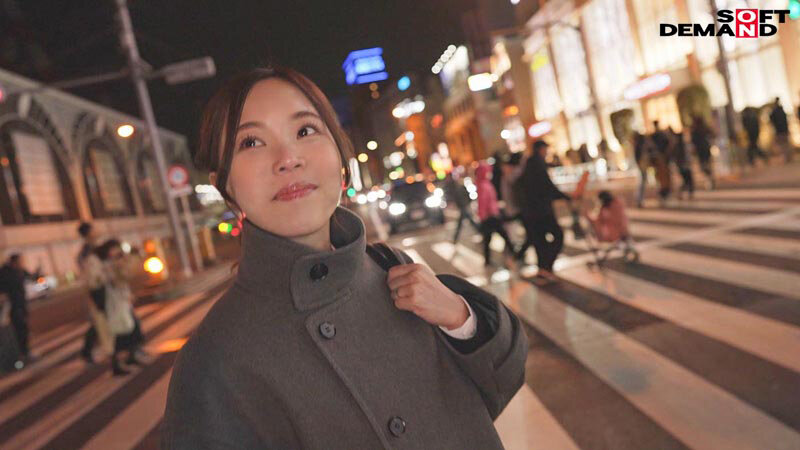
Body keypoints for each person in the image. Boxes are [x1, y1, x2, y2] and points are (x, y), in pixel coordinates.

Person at [162, 67, 527, 449]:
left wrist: (460, 319)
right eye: (251, 142)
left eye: (305, 131)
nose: (288, 159)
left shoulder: (391, 267)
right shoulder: (215, 358)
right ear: (225, 185)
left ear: (340, 155)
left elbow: (498, 385)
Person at [513, 140, 571, 282]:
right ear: (540, 149)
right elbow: (546, 186)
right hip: (540, 210)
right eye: (545, 149)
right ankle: (546, 267)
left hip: (531, 211)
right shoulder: (536, 164)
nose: (546, 152)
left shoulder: (529, 164)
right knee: (557, 236)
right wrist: (565, 196)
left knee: (540, 241)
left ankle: (543, 270)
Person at [94, 240, 145, 376]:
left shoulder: (113, 264)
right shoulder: (106, 266)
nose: (117, 252)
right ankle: (117, 364)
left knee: (132, 328)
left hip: (120, 303)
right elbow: (117, 280)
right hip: (112, 306)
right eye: (115, 249)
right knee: (114, 336)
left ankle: (131, 356)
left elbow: (126, 277)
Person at [77, 222, 110, 364]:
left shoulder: (93, 248)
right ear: (88, 233)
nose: (96, 232)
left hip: (101, 287)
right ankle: (87, 351)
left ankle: (89, 350)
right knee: (98, 321)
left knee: (102, 321)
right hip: (96, 289)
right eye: (93, 230)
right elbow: (88, 273)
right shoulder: (87, 251)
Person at [0, 254, 41, 368]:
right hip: (11, 307)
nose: (22, 263)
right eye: (20, 261)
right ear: (14, 262)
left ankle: (24, 353)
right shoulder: (5, 273)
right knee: (16, 332)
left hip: (20, 305)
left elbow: (32, 277)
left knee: (23, 330)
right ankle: (19, 355)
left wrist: (38, 272)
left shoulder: (19, 271)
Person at [474, 162, 515, 266]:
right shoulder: (483, 185)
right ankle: (514, 253)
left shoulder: (484, 183)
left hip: (491, 215)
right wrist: (483, 216)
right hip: (490, 216)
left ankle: (488, 260)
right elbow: (483, 202)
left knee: (489, 238)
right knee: (503, 235)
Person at [447, 173, 481, 243]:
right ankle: (455, 239)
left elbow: (462, 196)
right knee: (468, 222)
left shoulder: (456, 186)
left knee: (463, 223)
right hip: (463, 206)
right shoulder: (456, 186)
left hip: (463, 206)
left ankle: (455, 239)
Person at [650, 121, 673, 204]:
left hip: (662, 160)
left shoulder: (657, 136)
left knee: (664, 178)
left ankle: (665, 193)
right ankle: (664, 193)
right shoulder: (656, 136)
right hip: (660, 160)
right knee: (662, 178)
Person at [690, 115, 715, 189]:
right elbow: (712, 134)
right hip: (705, 149)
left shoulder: (695, 130)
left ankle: (709, 178)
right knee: (706, 164)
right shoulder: (703, 128)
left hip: (702, 150)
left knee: (704, 165)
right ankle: (709, 177)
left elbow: (693, 141)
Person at [670, 127, 694, 199]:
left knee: (687, 180)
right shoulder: (679, 146)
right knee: (687, 180)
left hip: (683, 165)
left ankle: (683, 193)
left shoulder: (681, 145)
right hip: (683, 165)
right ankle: (682, 193)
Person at [633, 131, 653, 208]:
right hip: (642, 165)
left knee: (643, 181)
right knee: (642, 182)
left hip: (643, 164)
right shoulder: (639, 146)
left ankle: (639, 199)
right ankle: (639, 199)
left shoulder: (640, 146)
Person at [769, 97, 792, 163]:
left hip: (780, 130)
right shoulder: (780, 110)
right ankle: (786, 157)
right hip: (781, 130)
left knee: (783, 144)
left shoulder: (776, 111)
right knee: (784, 144)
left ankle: (785, 157)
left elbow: (772, 120)